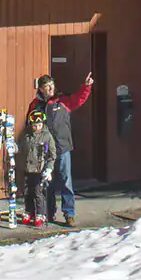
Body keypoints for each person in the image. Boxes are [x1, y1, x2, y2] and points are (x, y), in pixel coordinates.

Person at [25, 71, 93, 226]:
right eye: (46, 86)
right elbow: (29, 125)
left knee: (65, 180)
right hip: (44, 150)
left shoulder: (62, 101)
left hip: (62, 147)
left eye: (52, 85)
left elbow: (79, 99)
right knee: (45, 182)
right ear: (40, 89)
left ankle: (69, 213)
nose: (50, 89)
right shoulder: (35, 105)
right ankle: (48, 212)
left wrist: (86, 86)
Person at [17, 107, 56, 227]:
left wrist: (48, 169)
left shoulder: (47, 136)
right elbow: (20, 147)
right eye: (34, 125)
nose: (37, 127)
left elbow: (52, 155)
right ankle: (29, 211)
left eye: (39, 125)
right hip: (27, 169)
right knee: (27, 192)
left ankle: (41, 213)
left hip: (39, 169)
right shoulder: (25, 134)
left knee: (38, 192)